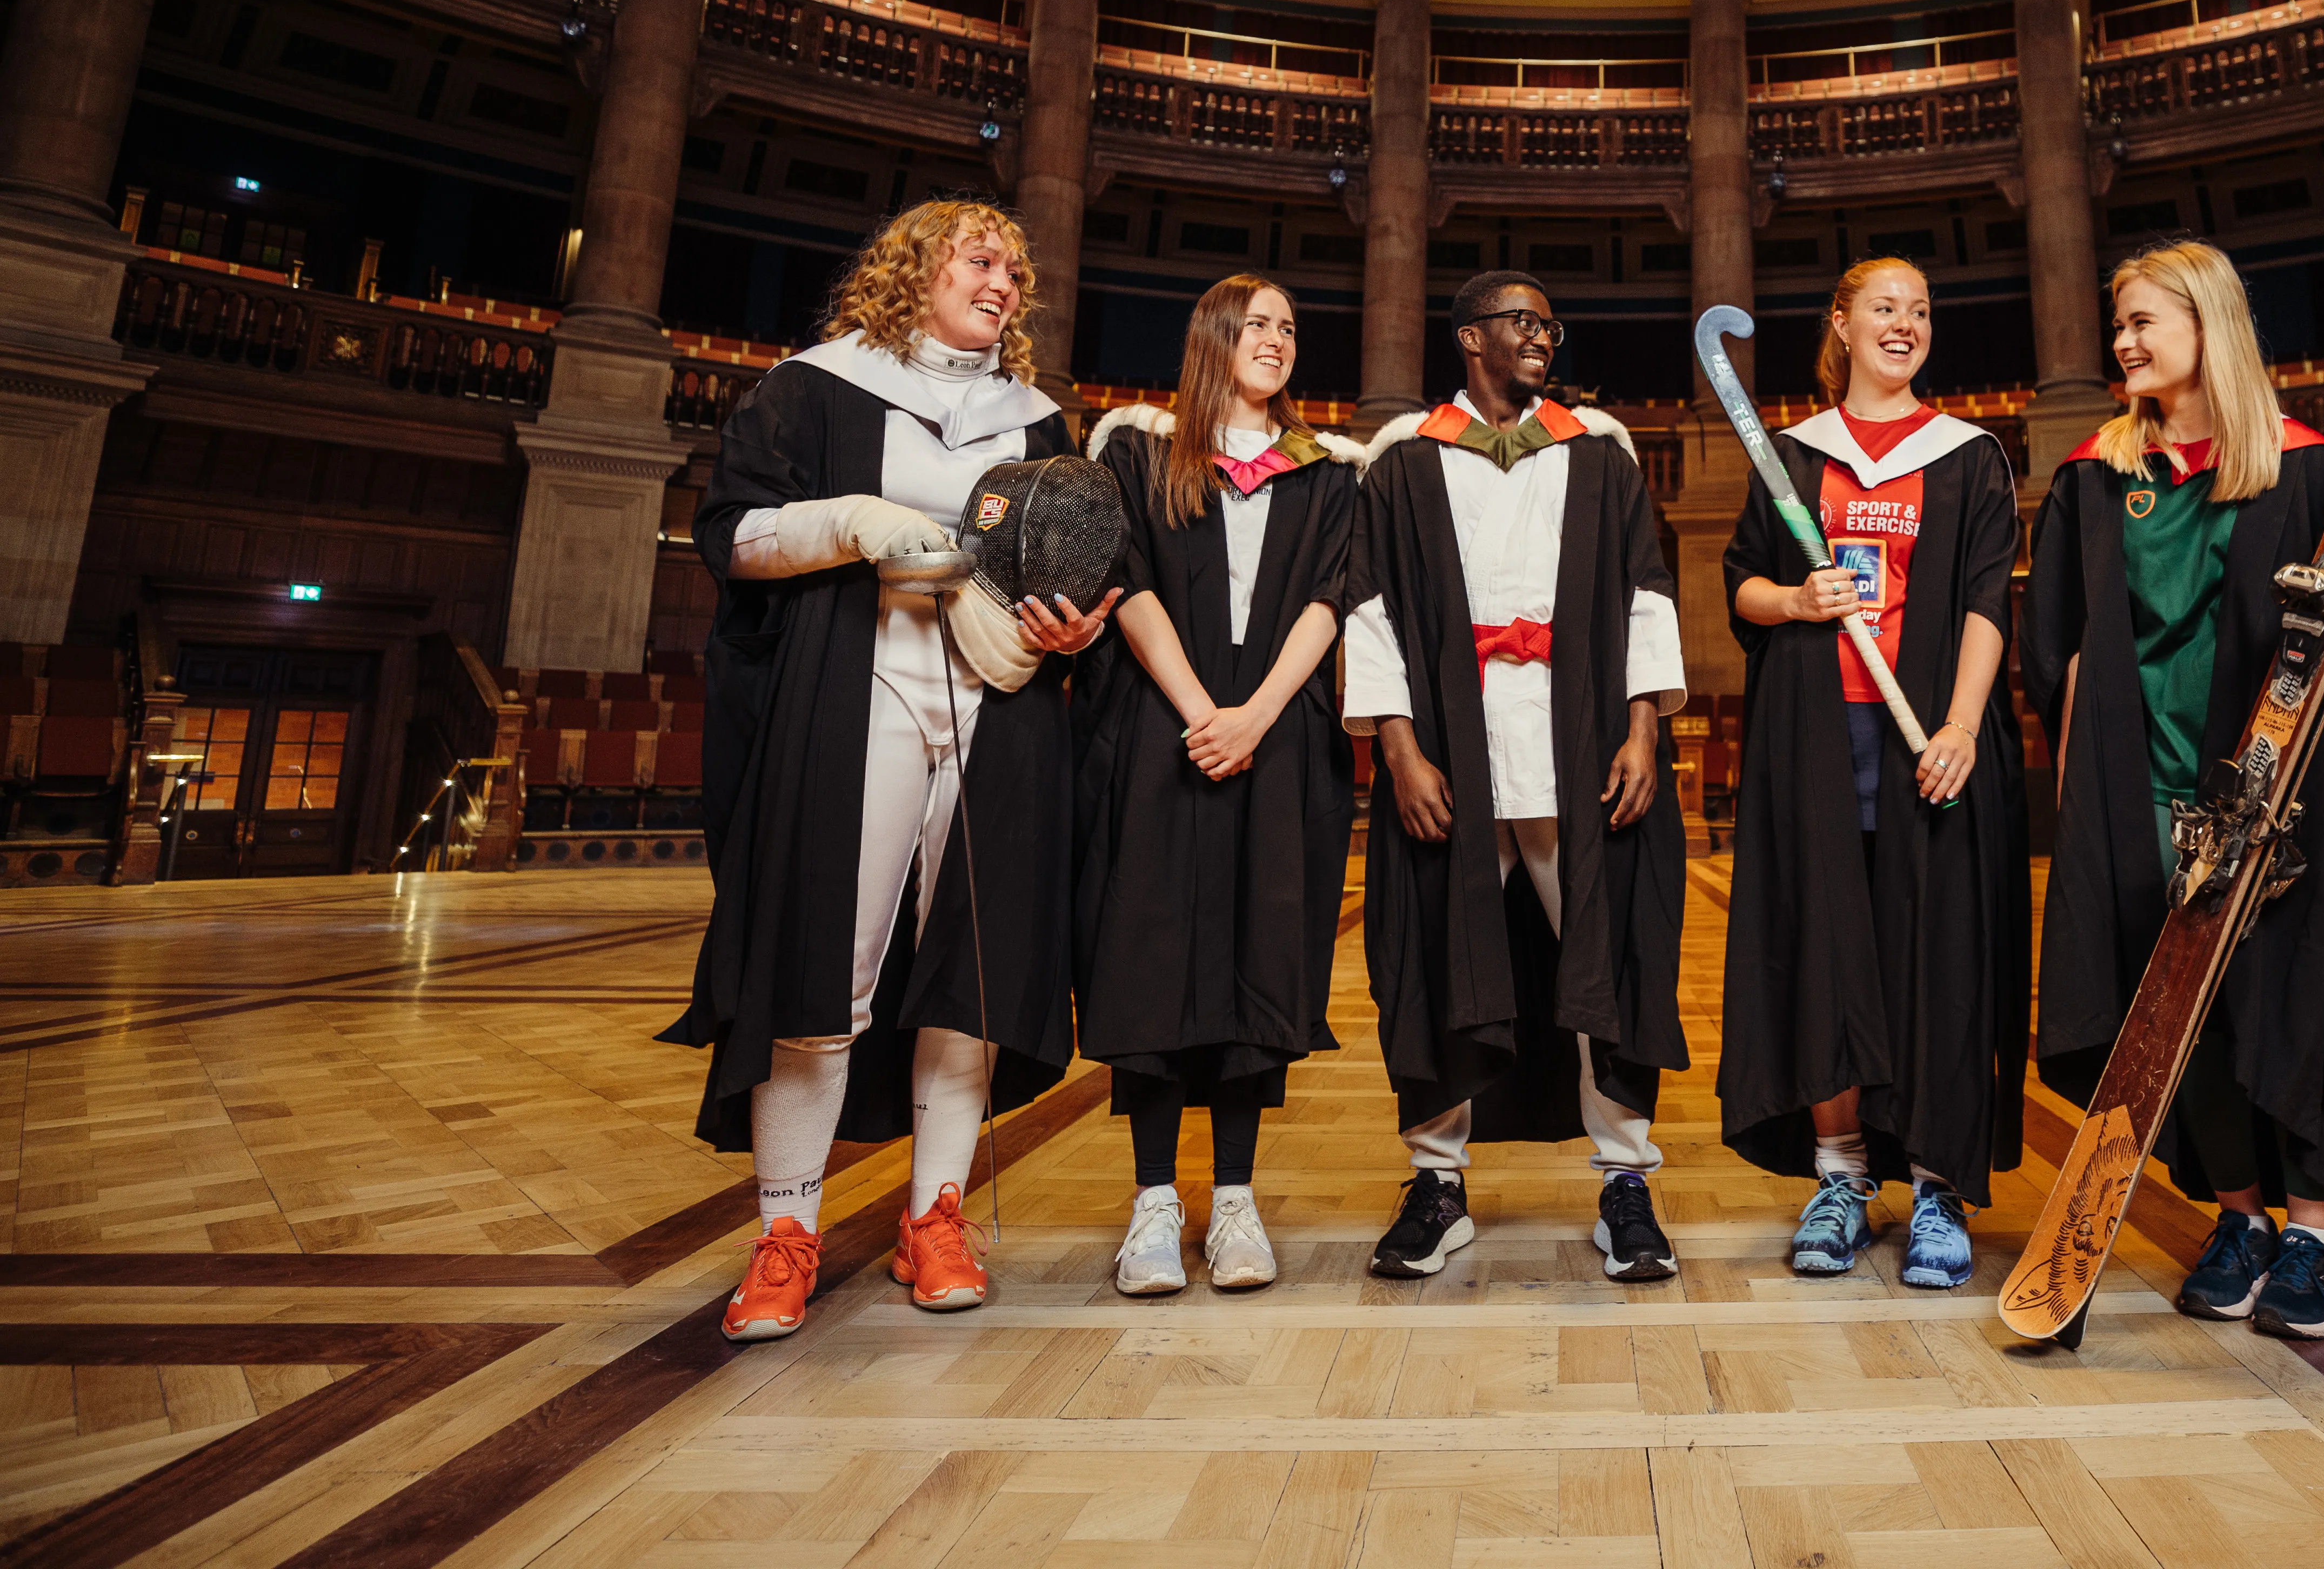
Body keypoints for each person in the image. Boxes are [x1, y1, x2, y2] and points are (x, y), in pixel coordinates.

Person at [671, 201, 1119, 1344]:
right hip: (854, 689)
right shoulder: (818, 386)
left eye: (1017, 269)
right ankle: (785, 1232)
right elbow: (731, 533)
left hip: (999, 704)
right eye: (982, 258)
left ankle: (937, 1216)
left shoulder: (1039, 421)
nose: (1005, 282)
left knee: (976, 969)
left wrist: (1068, 627)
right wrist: (855, 520)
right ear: (915, 267)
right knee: (828, 960)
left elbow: (1061, 564)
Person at [2024, 238, 2324, 1341]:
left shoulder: (2312, 471)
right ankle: (2241, 1215)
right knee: (2178, 1009)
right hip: (2144, 787)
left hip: (2277, 793)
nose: (2125, 342)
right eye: (2120, 324)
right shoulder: (2094, 479)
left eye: (2144, 321)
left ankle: (2314, 1234)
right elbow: (2051, 650)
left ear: (2210, 324)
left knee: (2293, 998)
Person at [1343, 271, 1691, 1283]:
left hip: (1578, 755)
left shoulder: (1598, 454)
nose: (1541, 337)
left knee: (1610, 963)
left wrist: (1643, 732)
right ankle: (1437, 1186)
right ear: (1469, 338)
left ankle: (1626, 1185)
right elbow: (1368, 610)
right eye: (1521, 323)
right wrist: (1398, 749)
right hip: (1452, 756)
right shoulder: (1405, 462)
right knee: (1439, 963)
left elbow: (1643, 596)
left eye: (1548, 323)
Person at [1719, 257, 2026, 1288]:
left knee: (1935, 960)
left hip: (1925, 746)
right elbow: (1742, 589)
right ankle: (1841, 1175)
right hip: (1816, 743)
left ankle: (1939, 1184)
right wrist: (1798, 603)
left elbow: (1989, 601)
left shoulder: (1970, 456)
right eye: (1884, 308)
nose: (1906, 324)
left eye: (1922, 310)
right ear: (1842, 324)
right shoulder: (1793, 459)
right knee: (1827, 959)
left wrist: (1965, 727)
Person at [1072, 275, 1365, 1296]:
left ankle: (1234, 1199)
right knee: (1148, 951)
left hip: (1277, 739)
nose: (1277, 339)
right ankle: (1156, 1201)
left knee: (1259, 950)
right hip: (1162, 729)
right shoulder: (1140, 454)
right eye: (1257, 324)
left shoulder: (1327, 472)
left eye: (1290, 326)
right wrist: (1203, 710)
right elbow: (1127, 581)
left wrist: (1256, 715)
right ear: (1211, 336)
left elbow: (1331, 600)